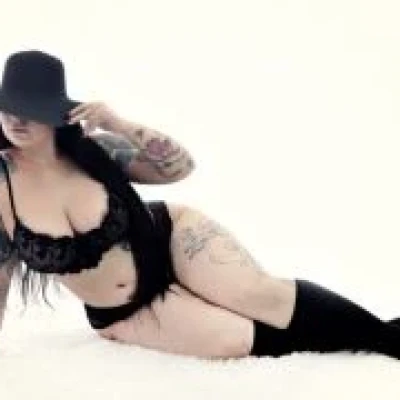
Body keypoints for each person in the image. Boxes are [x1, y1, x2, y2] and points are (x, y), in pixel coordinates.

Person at [0, 49, 400, 361]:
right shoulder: (3, 186)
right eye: (9, 108)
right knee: (233, 339)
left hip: (172, 238)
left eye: (29, 109)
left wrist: (116, 123)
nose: (17, 120)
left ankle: (386, 338)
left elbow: (178, 167)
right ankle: (364, 336)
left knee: (260, 296)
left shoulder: (96, 151)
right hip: (124, 309)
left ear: (55, 113)